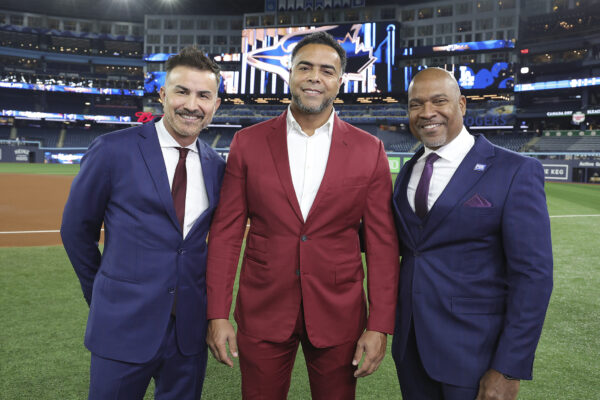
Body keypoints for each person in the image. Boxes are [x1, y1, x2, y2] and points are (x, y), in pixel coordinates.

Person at [205, 31, 399, 399]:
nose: (314, 77)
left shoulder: (369, 149)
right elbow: (227, 233)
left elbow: (382, 245)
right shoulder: (248, 142)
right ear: (290, 74)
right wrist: (217, 314)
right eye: (305, 67)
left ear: (340, 81)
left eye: (327, 70)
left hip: (339, 312)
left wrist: (379, 325)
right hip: (263, 308)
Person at [61, 46, 225, 400]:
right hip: (122, 323)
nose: (192, 104)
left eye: (203, 95)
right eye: (182, 91)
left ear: (215, 104)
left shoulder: (217, 166)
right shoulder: (112, 150)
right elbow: (76, 230)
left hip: (187, 333)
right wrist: (103, 293)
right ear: (163, 94)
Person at [391, 67, 553, 400]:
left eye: (439, 101)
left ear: (462, 105)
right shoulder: (409, 170)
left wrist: (508, 367)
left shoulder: (515, 171)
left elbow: (533, 276)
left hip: (475, 353)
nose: (427, 112)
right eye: (416, 104)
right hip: (411, 348)